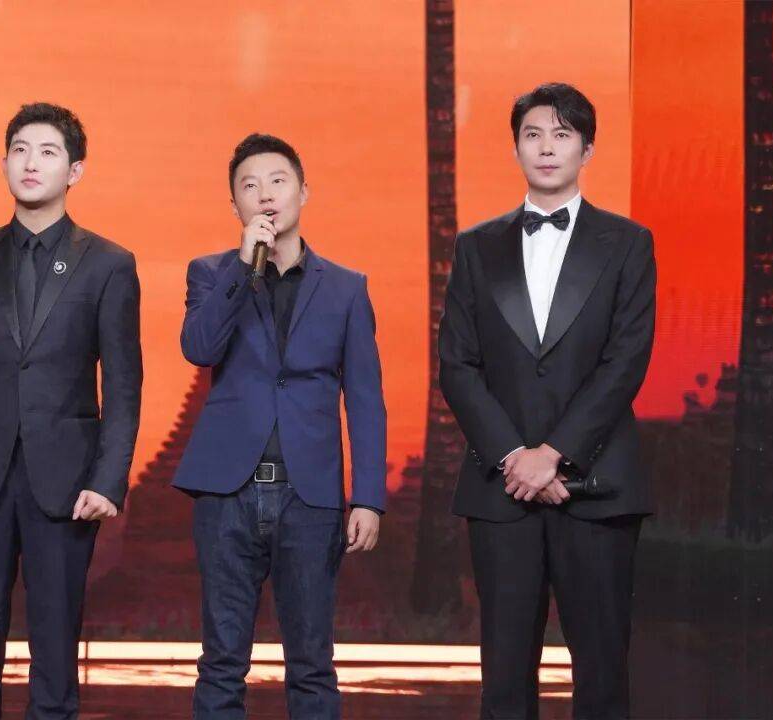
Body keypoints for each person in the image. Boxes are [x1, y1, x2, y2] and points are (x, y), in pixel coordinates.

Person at [0, 102, 142, 720]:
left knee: (55, 659)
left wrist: (108, 480)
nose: (31, 162)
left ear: (76, 171)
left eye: (47, 151)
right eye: (19, 150)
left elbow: (124, 386)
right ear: (3, 164)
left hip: (67, 484)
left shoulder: (109, 264)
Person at [439, 82, 656, 719]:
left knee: (603, 676)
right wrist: (515, 456)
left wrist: (555, 453)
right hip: (501, 491)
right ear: (516, 148)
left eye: (562, 135)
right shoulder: (476, 246)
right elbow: (457, 365)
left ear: (587, 149)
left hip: (598, 488)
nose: (546, 147)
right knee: (504, 678)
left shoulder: (628, 242)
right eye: (533, 134)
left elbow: (626, 360)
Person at [173, 133, 387, 720]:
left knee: (312, 664)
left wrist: (368, 498)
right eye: (249, 186)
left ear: (303, 192)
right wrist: (244, 267)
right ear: (234, 206)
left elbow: (365, 399)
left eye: (277, 181)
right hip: (227, 492)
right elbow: (199, 347)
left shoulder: (346, 287)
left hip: (309, 496)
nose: (264, 195)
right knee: (221, 662)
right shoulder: (211, 273)